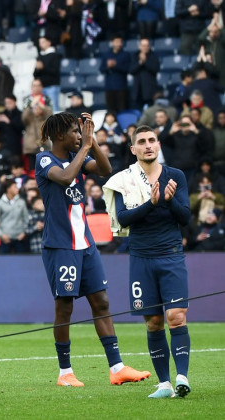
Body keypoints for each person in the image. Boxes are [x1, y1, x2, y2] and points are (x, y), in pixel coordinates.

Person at [35, 112, 152, 387]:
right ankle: (65, 372)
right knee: (64, 307)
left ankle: (117, 368)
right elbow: (64, 178)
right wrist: (85, 146)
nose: (80, 136)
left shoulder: (81, 154)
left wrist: (92, 142)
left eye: (81, 132)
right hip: (60, 245)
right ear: (60, 136)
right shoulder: (45, 159)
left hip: (85, 244)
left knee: (101, 302)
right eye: (76, 132)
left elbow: (105, 169)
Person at [102, 125, 192, 398]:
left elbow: (185, 216)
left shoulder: (175, 176)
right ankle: (164, 383)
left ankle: (181, 377)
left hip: (171, 254)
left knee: (176, 317)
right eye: (142, 141)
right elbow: (123, 218)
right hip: (141, 257)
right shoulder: (122, 180)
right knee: (153, 322)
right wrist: (152, 203)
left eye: (152, 140)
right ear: (133, 149)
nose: (148, 145)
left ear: (159, 144)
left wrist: (169, 199)